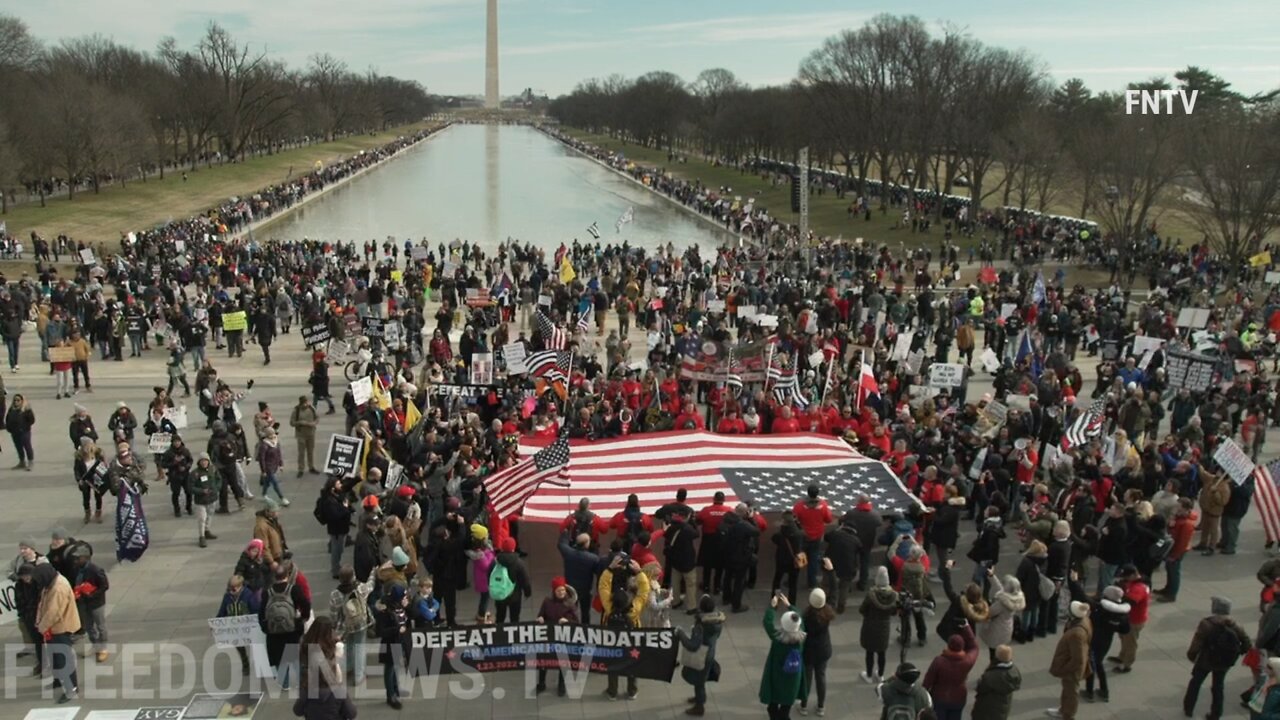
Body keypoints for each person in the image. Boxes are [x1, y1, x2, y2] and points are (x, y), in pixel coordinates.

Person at [1184, 596, 1251, 720]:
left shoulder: (1206, 623)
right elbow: (1247, 643)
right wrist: (1236, 653)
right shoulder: (1235, 625)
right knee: (1218, 687)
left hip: (1206, 660)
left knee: (1195, 683)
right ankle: (1216, 713)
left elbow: (1197, 643)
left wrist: (1192, 656)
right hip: (1224, 662)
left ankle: (1189, 708)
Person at [599, 554, 650, 700]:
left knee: (613, 665)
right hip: (631, 642)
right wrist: (639, 572)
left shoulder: (609, 608)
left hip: (612, 641)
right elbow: (644, 591)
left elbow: (603, 587)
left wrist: (610, 569)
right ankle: (632, 691)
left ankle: (612, 692)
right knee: (632, 665)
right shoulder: (634, 610)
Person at [260, 564, 310, 691]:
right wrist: (302, 619)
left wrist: (265, 627)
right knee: (294, 654)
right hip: (292, 628)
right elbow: (306, 604)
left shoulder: (267, 592)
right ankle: (298, 680)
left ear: (274, 577)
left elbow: (261, 612)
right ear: (287, 576)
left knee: (278, 655)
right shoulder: (294, 590)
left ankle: (285, 682)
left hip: (273, 631)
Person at [675, 594, 725, 716]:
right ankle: (698, 698)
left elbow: (692, 646)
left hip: (701, 656)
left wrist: (680, 633)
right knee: (700, 679)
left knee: (699, 682)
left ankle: (699, 706)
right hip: (710, 653)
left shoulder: (701, 626)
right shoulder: (717, 620)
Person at [760, 592, 806, 720]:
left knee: (772, 707)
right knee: (785, 709)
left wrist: (772, 607)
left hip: (777, 677)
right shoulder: (801, 639)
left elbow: (767, 623)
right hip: (793, 680)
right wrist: (790, 606)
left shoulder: (778, 640)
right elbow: (799, 620)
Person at [922, 622, 979, 720]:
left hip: (939, 697)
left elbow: (928, 681)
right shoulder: (967, 661)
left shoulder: (939, 661)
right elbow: (974, 647)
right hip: (958, 698)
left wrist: (923, 696)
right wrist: (967, 627)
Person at [1047, 601, 1092, 720]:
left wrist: (1064, 669)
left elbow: (1077, 659)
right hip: (1072, 667)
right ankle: (1063, 710)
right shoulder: (1084, 620)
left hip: (1072, 670)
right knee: (1067, 690)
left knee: (1071, 693)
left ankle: (1068, 715)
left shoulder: (1076, 633)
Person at [328, 565, 373, 686]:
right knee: (360, 647)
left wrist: (333, 627)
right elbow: (371, 585)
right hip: (360, 623)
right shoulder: (360, 588)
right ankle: (359, 676)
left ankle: (348, 668)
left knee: (347, 646)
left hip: (344, 626)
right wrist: (373, 572)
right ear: (353, 576)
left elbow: (333, 614)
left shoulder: (335, 594)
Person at [534, 577, 579, 696]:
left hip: (562, 639)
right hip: (548, 638)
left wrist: (567, 620)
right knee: (544, 661)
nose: (561, 593)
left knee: (562, 663)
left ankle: (561, 685)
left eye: (563, 591)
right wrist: (540, 618)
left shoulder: (569, 604)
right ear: (554, 591)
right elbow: (540, 614)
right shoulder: (547, 602)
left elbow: (577, 622)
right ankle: (541, 684)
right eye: (559, 591)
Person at [69, 544, 109, 662]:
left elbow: (104, 586)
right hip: (83, 602)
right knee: (88, 626)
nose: (76, 560)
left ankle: (103, 648)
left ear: (86, 557)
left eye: (78, 558)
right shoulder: (76, 569)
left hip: (96, 603)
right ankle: (95, 645)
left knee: (100, 625)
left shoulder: (95, 570)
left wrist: (92, 594)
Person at [799, 588, 835, 716]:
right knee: (821, 677)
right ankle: (821, 706)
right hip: (823, 650)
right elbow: (834, 594)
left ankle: (803, 705)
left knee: (807, 679)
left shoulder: (806, 615)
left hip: (808, 651)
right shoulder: (828, 613)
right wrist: (831, 572)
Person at [860, 566, 899, 684]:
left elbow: (862, 609)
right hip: (884, 627)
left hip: (870, 625)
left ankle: (869, 674)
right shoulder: (893, 596)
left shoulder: (871, 595)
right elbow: (893, 612)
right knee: (882, 652)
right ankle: (881, 674)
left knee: (869, 652)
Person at [374, 583, 410, 709]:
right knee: (389, 669)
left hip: (399, 642)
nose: (406, 599)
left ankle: (395, 689)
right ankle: (390, 695)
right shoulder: (385, 612)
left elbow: (410, 617)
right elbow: (381, 631)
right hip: (390, 643)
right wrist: (397, 629)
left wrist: (407, 607)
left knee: (396, 667)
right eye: (404, 597)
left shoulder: (400, 607)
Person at [217, 574, 260, 676]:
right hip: (235, 628)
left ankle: (259, 664)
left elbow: (255, 609)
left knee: (255, 645)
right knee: (239, 646)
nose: (232, 590)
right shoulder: (227, 597)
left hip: (247, 626)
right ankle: (245, 663)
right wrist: (217, 623)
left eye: (234, 588)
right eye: (230, 588)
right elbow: (222, 611)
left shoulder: (248, 595)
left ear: (241, 586)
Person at [793, 484, 834, 589]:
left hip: (803, 536)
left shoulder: (799, 506)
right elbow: (829, 519)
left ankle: (793, 579)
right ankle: (812, 582)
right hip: (816, 536)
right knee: (813, 560)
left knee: (799, 556)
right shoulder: (823, 506)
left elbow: (794, 518)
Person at [1110, 564, 1149, 674]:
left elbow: (1131, 601)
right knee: (1124, 638)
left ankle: (1127, 664)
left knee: (1130, 642)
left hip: (1134, 620)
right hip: (1128, 617)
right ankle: (1122, 656)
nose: (1125, 578)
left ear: (1133, 575)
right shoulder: (1135, 582)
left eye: (1126, 576)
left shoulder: (1139, 588)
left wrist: (1119, 596)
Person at [979, 573, 1024, 663]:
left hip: (996, 630)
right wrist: (992, 576)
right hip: (1007, 628)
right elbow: (1001, 589)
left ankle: (994, 668)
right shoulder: (1015, 598)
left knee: (994, 654)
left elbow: (989, 613)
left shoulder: (1001, 603)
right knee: (1001, 651)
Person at [971, 645, 1021, 720]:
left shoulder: (991, 676)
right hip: (1003, 707)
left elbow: (981, 688)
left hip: (987, 708)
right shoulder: (1014, 671)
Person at [317, 478, 354, 579]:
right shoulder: (329, 501)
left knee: (339, 549)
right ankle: (335, 570)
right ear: (333, 487)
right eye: (338, 484)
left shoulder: (335, 495)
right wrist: (345, 508)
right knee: (337, 550)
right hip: (337, 530)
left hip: (341, 528)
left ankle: (336, 566)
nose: (341, 485)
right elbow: (336, 515)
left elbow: (347, 486)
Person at [493, 536, 532, 623]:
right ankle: (514, 634)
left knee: (500, 617)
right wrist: (527, 592)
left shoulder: (496, 561)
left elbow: (489, 575)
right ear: (513, 548)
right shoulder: (519, 563)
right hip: (515, 595)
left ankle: (499, 634)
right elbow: (525, 580)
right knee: (514, 618)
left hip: (500, 593)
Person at [189, 452, 221, 547]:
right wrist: (201, 491)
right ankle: (201, 536)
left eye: (206, 460)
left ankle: (207, 530)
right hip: (200, 500)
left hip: (212, 498)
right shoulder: (195, 473)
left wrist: (216, 488)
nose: (204, 463)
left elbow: (219, 479)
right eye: (202, 461)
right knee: (202, 518)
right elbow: (190, 487)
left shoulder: (213, 469)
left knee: (210, 515)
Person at [257, 428, 288, 506]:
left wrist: (281, 464)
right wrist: (263, 470)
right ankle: (282, 498)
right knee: (275, 483)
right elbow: (262, 459)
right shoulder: (264, 445)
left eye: (273, 434)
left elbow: (279, 454)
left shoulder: (276, 442)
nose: (273, 436)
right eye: (271, 434)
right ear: (267, 435)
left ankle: (264, 494)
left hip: (274, 466)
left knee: (267, 482)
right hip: (268, 467)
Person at [290, 395, 320, 477]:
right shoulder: (296, 410)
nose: (305, 405)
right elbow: (292, 422)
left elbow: (317, 418)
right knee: (301, 453)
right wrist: (300, 422)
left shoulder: (311, 408)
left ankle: (311, 467)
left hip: (311, 433)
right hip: (301, 434)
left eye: (306, 402)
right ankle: (301, 469)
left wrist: (314, 423)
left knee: (310, 451)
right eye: (304, 403)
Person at [6, 393, 35, 470]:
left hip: (24, 432)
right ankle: (22, 462)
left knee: (27, 447)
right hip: (14, 432)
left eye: (18, 400)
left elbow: (32, 420)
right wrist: (9, 428)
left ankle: (30, 462)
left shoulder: (26, 409)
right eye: (14, 400)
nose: (16, 402)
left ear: (22, 401)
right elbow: (7, 419)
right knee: (18, 447)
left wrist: (25, 427)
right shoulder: (11, 409)